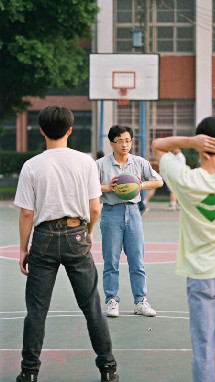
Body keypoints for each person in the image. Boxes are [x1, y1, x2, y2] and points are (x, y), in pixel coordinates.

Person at [152, 83, 215, 382]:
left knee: (203, 350)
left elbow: (158, 147)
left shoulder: (183, 179)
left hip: (201, 278)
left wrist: (190, 141)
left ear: (200, 145)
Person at [14, 106, 119, 382]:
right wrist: (89, 232)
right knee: (92, 307)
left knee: (36, 311)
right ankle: (108, 369)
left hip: (44, 238)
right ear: (70, 130)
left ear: (41, 131)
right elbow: (95, 208)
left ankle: (29, 372)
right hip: (77, 235)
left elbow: (27, 213)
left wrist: (24, 248)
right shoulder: (85, 162)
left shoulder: (32, 165)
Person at [96, 125, 163, 317]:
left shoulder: (139, 162)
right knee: (111, 260)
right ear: (111, 143)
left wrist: (138, 185)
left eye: (128, 140)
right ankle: (111, 301)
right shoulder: (100, 164)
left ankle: (140, 301)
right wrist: (108, 188)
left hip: (133, 212)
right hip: (111, 213)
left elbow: (159, 181)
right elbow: (88, 186)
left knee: (137, 260)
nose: (125, 144)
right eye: (120, 141)